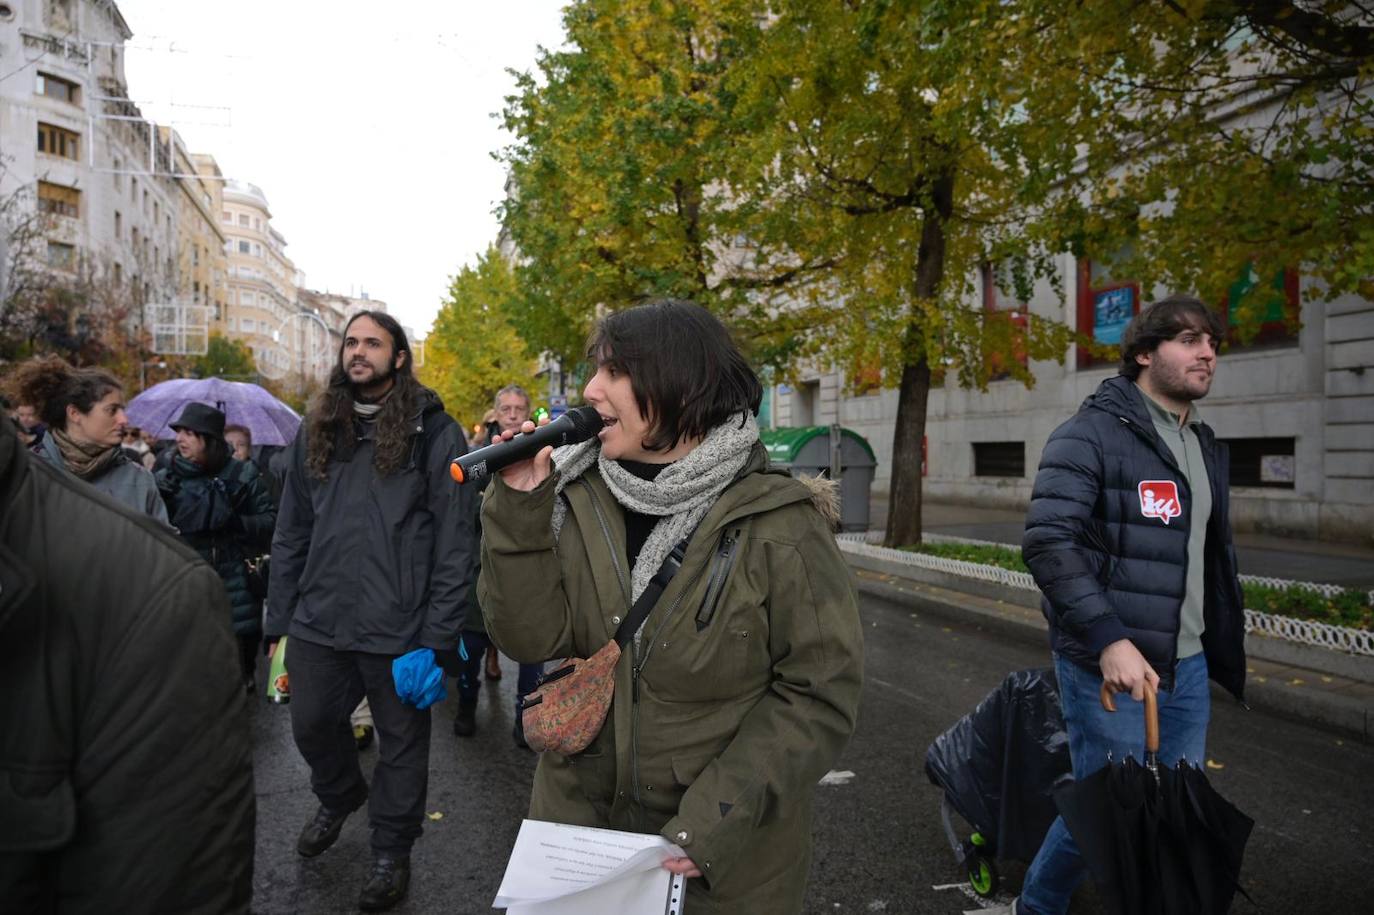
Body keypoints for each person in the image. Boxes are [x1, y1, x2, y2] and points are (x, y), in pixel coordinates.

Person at [478, 299, 864, 914]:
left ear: (681, 385)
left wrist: (712, 824)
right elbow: (527, 639)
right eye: (594, 369)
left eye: (615, 371)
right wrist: (520, 508)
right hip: (580, 841)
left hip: (721, 859)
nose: (591, 388)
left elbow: (818, 693)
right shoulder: (572, 491)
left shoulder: (779, 521)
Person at [1010, 295, 1247, 915]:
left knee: (1173, 803)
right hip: (1109, 666)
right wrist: (1110, 638)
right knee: (1110, 808)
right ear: (1144, 353)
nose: (1206, 355)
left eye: (1212, 344)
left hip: (1187, 665)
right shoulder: (1089, 434)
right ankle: (1036, 907)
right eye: (1189, 341)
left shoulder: (1202, 441)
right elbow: (1047, 541)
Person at [265, 310, 476, 912]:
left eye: (373, 343)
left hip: (400, 627)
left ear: (399, 357)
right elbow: (292, 529)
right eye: (351, 342)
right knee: (308, 723)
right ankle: (338, 793)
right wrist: (278, 620)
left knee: (403, 747)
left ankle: (391, 852)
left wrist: (438, 635)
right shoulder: (319, 427)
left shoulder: (434, 433)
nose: (358, 352)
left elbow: (456, 539)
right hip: (319, 621)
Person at [0, 416, 255, 912]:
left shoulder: (159, 576)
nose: (124, 419)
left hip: (217, 586)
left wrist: (229, 515)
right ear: (73, 415)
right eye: (110, 407)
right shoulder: (160, 473)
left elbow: (169, 866)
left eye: (190, 433)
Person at [156, 404, 277, 695]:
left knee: (235, 665)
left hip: (236, 580)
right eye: (179, 433)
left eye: (190, 433)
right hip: (185, 578)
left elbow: (271, 521)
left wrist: (237, 522)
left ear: (209, 439)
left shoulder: (243, 473)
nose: (181, 440)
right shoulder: (166, 475)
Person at [459, 384, 545, 746]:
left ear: (527, 414)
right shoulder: (475, 460)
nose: (512, 414)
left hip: (527, 580)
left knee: (533, 656)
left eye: (518, 408)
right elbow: (461, 517)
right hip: (481, 575)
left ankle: (525, 718)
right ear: (495, 414)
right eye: (505, 408)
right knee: (469, 650)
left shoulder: (544, 458)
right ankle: (465, 704)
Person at [7, 356, 168, 523]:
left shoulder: (138, 479)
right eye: (112, 410)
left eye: (122, 410)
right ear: (75, 414)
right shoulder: (27, 473)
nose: (123, 420)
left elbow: (162, 544)